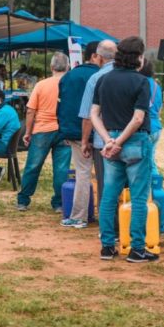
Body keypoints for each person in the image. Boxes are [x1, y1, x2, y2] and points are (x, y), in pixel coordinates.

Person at [91, 36, 157, 263]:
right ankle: (137, 248)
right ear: (139, 57)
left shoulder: (103, 80)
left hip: (110, 141)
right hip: (135, 142)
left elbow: (93, 114)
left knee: (109, 196)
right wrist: (119, 141)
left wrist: (108, 139)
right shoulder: (141, 82)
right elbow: (138, 118)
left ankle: (107, 247)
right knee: (139, 197)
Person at [15, 52, 71, 212]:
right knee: (61, 168)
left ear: (51, 67)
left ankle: (23, 200)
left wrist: (28, 132)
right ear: (67, 67)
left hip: (42, 130)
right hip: (64, 130)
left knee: (33, 165)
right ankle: (59, 203)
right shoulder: (70, 84)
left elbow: (31, 111)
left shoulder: (41, 85)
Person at [59, 41, 101, 228]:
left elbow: (61, 105)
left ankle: (79, 215)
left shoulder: (69, 76)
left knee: (82, 173)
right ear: (94, 56)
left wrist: (65, 130)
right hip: (99, 132)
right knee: (104, 176)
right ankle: (91, 215)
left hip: (74, 131)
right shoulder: (100, 76)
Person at [78, 40, 117, 208]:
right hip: (128, 139)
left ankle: (108, 227)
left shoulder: (96, 78)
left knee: (105, 185)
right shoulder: (134, 76)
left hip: (103, 142)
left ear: (99, 57)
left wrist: (85, 141)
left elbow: (88, 116)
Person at [139, 59, 163, 175]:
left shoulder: (140, 82)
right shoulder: (156, 85)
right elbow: (159, 109)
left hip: (146, 127)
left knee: (147, 163)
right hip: (157, 126)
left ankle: (155, 188)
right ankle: (155, 187)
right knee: (151, 159)